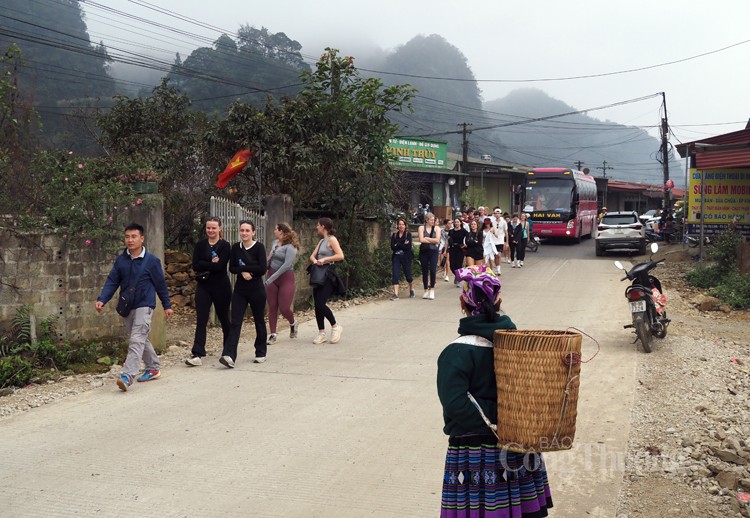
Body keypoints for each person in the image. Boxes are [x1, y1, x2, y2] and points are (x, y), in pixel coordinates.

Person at [437, 265, 553, 517]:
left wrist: (495, 419)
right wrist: (510, 416)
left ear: (462, 303)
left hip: (476, 453)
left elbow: (455, 404)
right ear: (499, 301)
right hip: (518, 443)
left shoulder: (456, 352)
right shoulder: (519, 344)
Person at [95, 223, 173, 392]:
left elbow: (161, 285)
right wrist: (103, 299)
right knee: (140, 337)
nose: (130, 240)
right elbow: (112, 281)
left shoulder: (152, 261)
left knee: (137, 338)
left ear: (142, 239)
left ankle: (128, 375)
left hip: (145, 305)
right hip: (127, 305)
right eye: (127, 237)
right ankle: (153, 367)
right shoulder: (121, 260)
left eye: (134, 237)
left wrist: (167, 305)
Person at [186, 216, 232, 367]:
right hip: (204, 286)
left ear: (220, 228)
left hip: (221, 287)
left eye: (213, 228)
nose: (211, 230)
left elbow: (221, 267)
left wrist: (205, 264)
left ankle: (228, 350)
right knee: (201, 319)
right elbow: (195, 265)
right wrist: (209, 264)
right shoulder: (200, 245)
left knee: (224, 318)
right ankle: (197, 353)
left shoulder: (225, 246)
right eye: (208, 228)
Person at [224, 220, 267, 367]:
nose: (244, 233)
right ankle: (229, 355)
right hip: (240, 290)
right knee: (235, 321)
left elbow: (262, 268)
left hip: (256, 289)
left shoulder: (259, 247)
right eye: (242, 230)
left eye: (247, 231)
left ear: (253, 232)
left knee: (259, 320)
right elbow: (232, 267)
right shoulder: (235, 248)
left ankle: (260, 351)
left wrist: (248, 269)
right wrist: (242, 271)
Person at [309, 217, 345, 344]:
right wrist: (315, 261)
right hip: (318, 274)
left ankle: (335, 327)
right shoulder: (321, 241)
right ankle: (321, 332)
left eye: (318, 225)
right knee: (317, 306)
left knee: (320, 304)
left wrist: (325, 259)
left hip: (328, 275)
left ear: (323, 226)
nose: (316, 227)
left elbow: (340, 255)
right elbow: (312, 255)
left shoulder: (332, 239)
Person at [265, 222, 300, 344]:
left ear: (281, 231)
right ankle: (273, 334)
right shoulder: (275, 243)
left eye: (276, 229)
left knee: (284, 308)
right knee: (272, 307)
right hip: (271, 277)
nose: (274, 231)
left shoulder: (291, 247)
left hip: (285, 278)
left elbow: (286, 265)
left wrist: (272, 277)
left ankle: (293, 323)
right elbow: (270, 257)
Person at [390, 217, 415, 300]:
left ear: (405, 226)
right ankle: (396, 294)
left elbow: (407, 247)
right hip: (396, 257)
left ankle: (411, 288)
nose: (401, 226)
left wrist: (398, 244)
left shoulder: (408, 235)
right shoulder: (394, 235)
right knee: (395, 274)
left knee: (408, 276)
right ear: (397, 225)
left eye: (402, 224)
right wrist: (402, 244)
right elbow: (392, 247)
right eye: (399, 224)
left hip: (406, 257)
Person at [418, 212, 441, 300]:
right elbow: (421, 239)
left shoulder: (437, 228)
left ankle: (432, 289)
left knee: (432, 270)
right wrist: (432, 240)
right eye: (431, 220)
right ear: (427, 220)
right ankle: (425, 289)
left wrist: (427, 238)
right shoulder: (421, 228)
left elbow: (437, 240)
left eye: (433, 220)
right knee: (424, 271)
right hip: (424, 251)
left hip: (433, 252)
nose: (433, 221)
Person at [447, 218, 468, 286]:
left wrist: (465, 245)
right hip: (452, 248)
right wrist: (445, 250)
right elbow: (448, 240)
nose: (456, 223)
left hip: (460, 249)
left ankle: (458, 279)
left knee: (458, 264)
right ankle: (457, 275)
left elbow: (467, 240)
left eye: (458, 222)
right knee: (452, 265)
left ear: (460, 223)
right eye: (455, 222)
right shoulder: (451, 231)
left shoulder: (464, 231)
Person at [491, 207, 508, 275]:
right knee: (495, 255)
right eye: (496, 213)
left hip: (500, 240)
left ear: (501, 214)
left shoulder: (504, 222)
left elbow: (506, 232)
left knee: (499, 255)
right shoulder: (492, 222)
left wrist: (507, 242)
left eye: (498, 213)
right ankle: (496, 267)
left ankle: (499, 269)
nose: (497, 214)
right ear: (494, 214)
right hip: (493, 240)